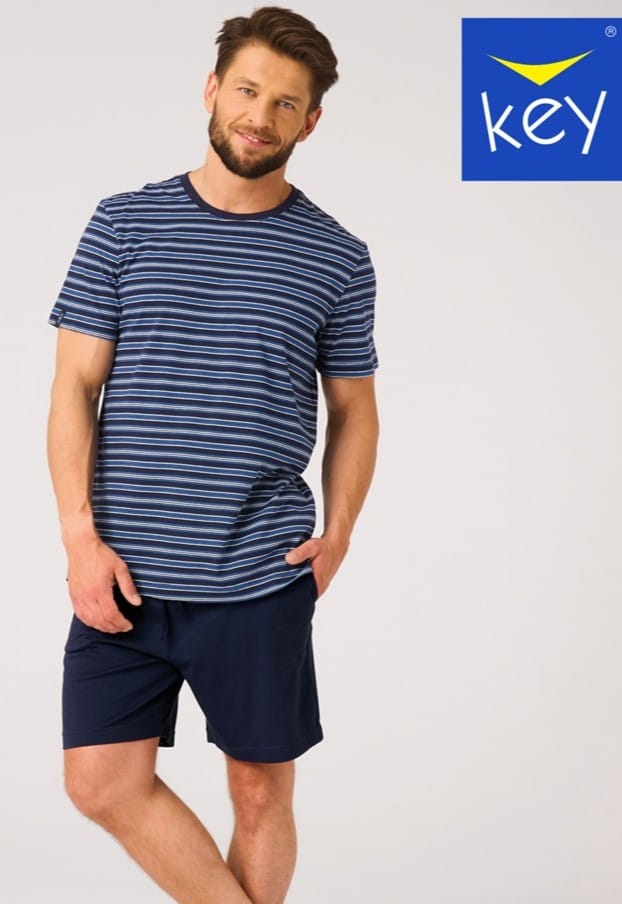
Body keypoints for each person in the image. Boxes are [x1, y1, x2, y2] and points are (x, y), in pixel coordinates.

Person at [46, 6, 379, 903]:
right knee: (100, 782)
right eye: (247, 90)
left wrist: (340, 533)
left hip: (259, 573)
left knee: (260, 791)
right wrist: (79, 538)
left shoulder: (338, 257)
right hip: (123, 573)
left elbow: (355, 408)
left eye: (284, 103)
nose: (259, 116)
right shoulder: (123, 225)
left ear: (310, 122)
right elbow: (74, 387)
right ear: (211, 90)